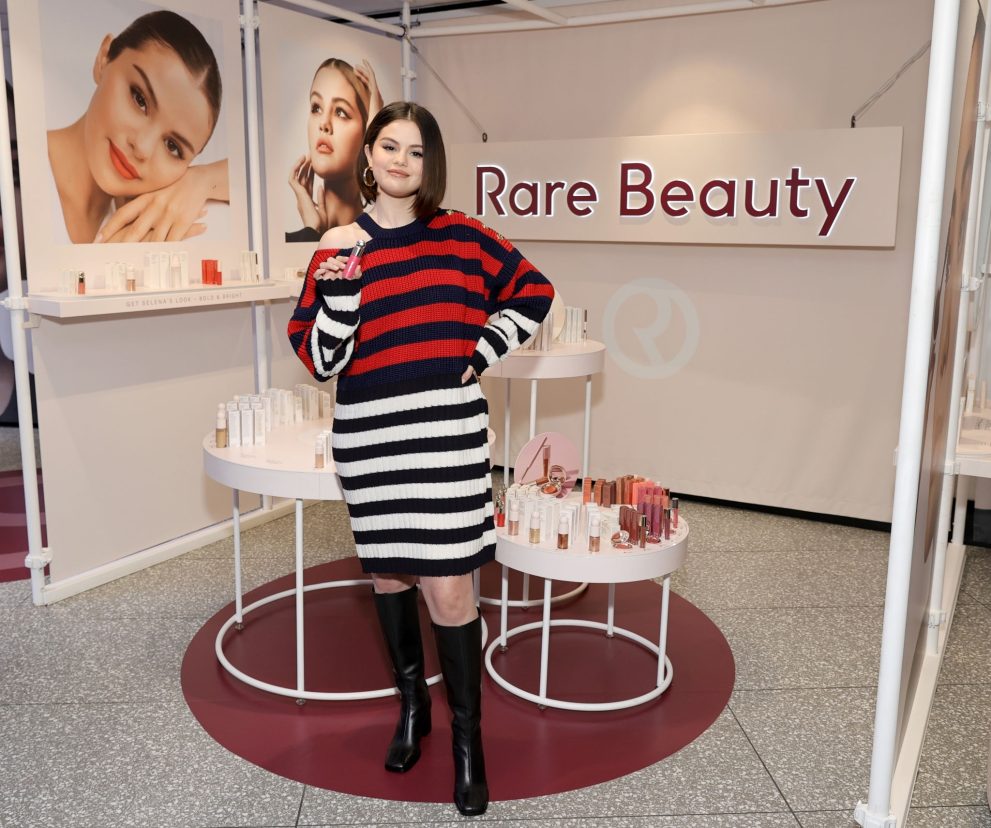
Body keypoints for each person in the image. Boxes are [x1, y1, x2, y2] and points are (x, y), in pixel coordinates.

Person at [287, 101, 554, 816]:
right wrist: (342, 292)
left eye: (416, 150)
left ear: (430, 163)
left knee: (452, 592)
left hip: (445, 438)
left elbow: (534, 292)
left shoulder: (463, 236)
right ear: (369, 156)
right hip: (371, 440)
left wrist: (480, 351)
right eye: (389, 146)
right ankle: (413, 709)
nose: (401, 161)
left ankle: (469, 743)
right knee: (388, 578)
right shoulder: (338, 244)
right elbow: (320, 359)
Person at [46, 10, 228, 244]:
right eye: (139, 99)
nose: (142, 147)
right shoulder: (14, 170)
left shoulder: (143, 217)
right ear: (104, 59)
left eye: (172, 147)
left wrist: (202, 180)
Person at [285, 57, 382, 242]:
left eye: (340, 112)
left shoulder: (382, 241)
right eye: (316, 108)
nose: (323, 124)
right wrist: (312, 230)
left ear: (367, 132)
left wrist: (377, 133)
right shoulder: (290, 241)